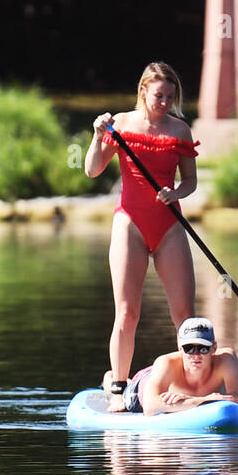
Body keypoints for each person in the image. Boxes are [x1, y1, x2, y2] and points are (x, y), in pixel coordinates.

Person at [85, 61, 200, 411]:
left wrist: (176, 194)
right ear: (143, 92)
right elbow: (92, 169)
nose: (164, 101)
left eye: (170, 96)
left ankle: (191, 387)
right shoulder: (119, 124)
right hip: (130, 224)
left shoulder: (180, 130)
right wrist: (96, 134)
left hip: (169, 225)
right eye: (158, 95)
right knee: (128, 312)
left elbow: (190, 181)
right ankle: (118, 386)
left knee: (185, 314)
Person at [122, 317, 238, 414]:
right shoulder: (165, 363)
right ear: (180, 348)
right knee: (128, 399)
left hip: (164, 379)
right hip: (145, 382)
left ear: (214, 348)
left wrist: (190, 400)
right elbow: (150, 407)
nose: (195, 355)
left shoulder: (226, 360)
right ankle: (111, 379)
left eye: (203, 348)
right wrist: (204, 400)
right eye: (189, 348)